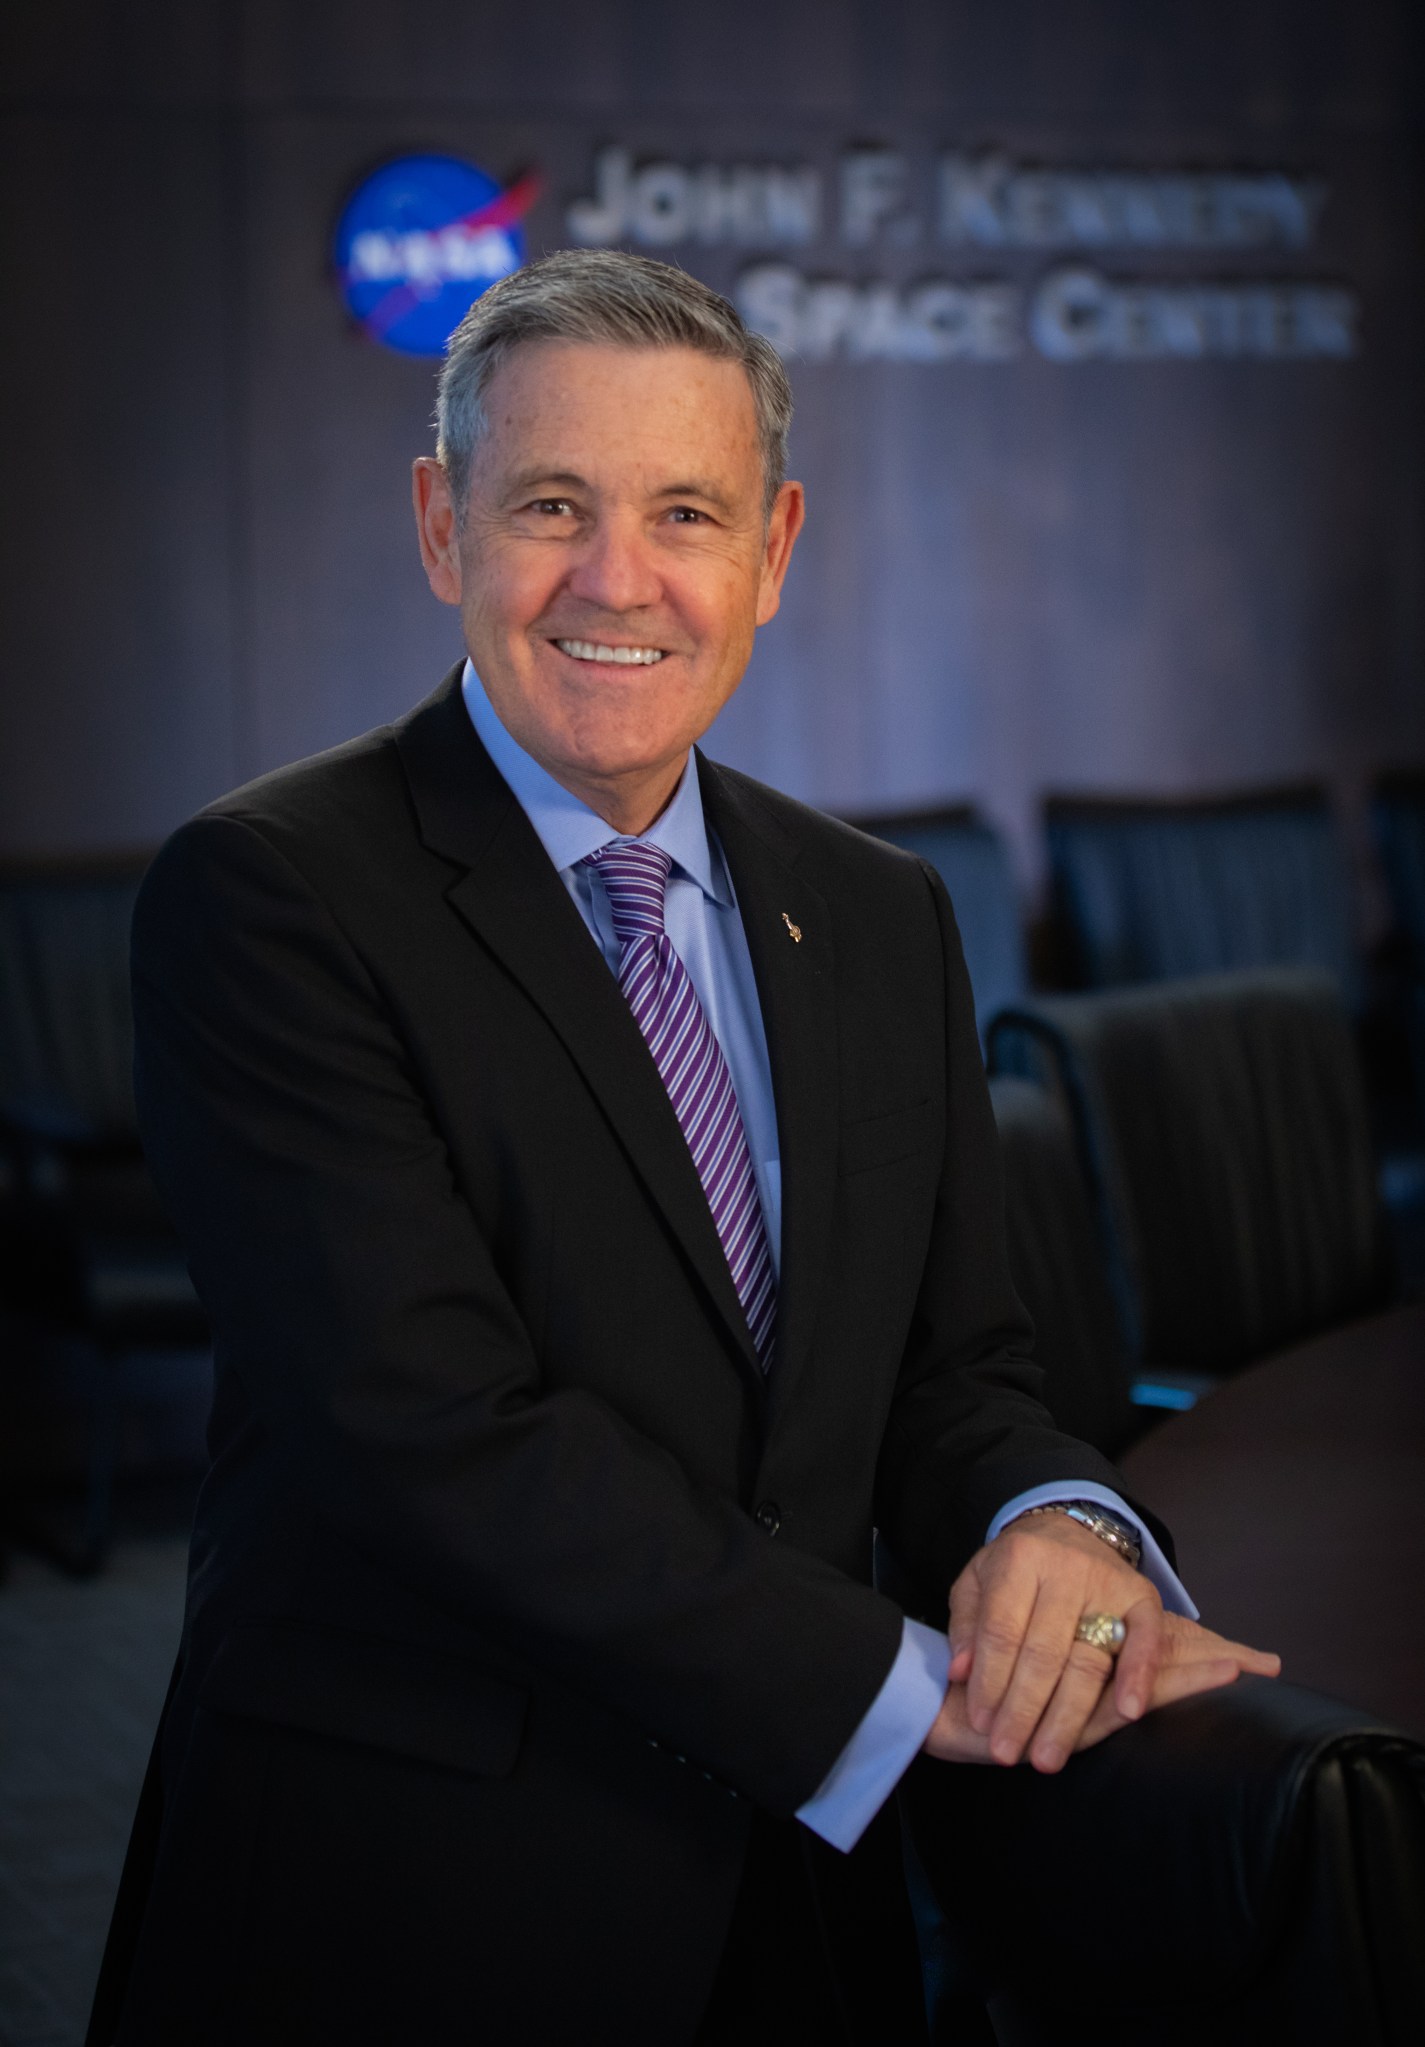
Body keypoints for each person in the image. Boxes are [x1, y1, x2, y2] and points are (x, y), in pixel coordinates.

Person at [90, 249, 1276, 2047]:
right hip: (417, 1895)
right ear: (440, 524)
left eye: (685, 513)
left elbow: (957, 1372)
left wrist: (1054, 1527)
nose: (616, 580)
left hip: (799, 1897)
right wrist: (898, 1690)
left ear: (774, 551)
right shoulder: (271, 898)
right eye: (550, 505)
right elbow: (431, 1436)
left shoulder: (877, 915)